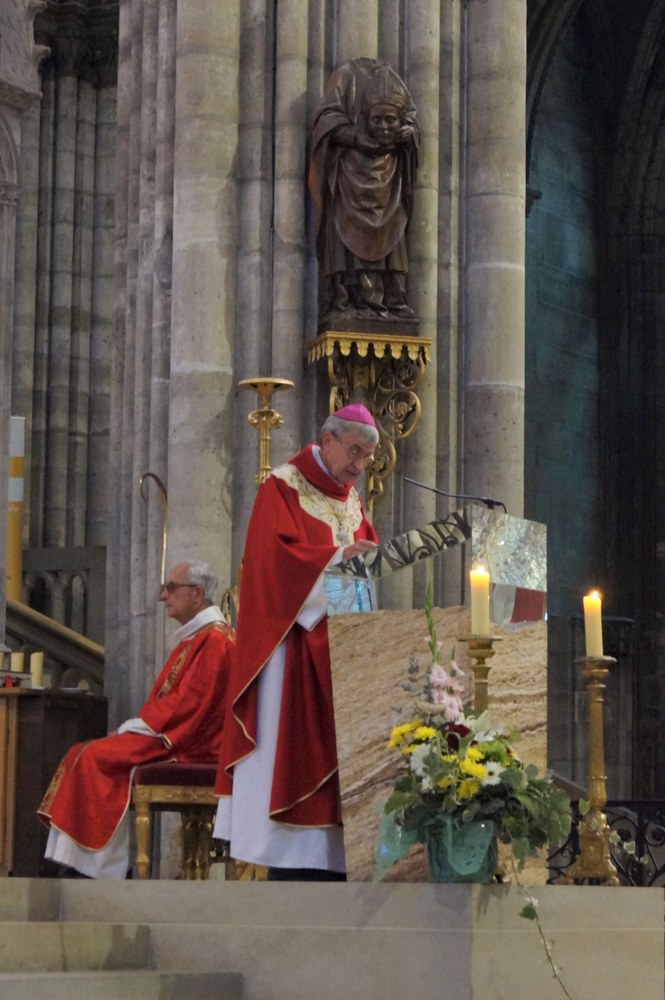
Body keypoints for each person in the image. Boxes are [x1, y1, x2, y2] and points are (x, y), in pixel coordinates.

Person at [214, 404, 379, 880]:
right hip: (291, 652)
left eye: (367, 458)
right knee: (290, 753)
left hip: (341, 654)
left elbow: (361, 576)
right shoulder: (283, 487)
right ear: (327, 439)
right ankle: (288, 859)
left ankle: (338, 859)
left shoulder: (353, 503)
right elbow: (271, 566)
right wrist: (339, 559)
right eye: (354, 453)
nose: (359, 466)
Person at [38, 559, 235, 879]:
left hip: (191, 743)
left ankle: (97, 870)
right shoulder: (199, 637)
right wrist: (135, 728)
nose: (163, 596)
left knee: (92, 757)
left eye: (171, 588)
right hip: (175, 732)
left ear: (197, 594)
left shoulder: (215, 641)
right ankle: (82, 862)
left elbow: (190, 706)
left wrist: (134, 728)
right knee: (83, 753)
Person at [308, 57, 419, 322]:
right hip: (349, 178)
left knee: (393, 232)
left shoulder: (395, 86)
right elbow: (325, 121)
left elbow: (412, 122)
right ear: (365, 117)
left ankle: (391, 299)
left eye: (390, 121)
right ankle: (347, 298)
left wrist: (410, 134)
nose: (384, 127)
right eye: (377, 120)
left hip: (389, 180)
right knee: (344, 234)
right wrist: (356, 137)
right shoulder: (345, 77)